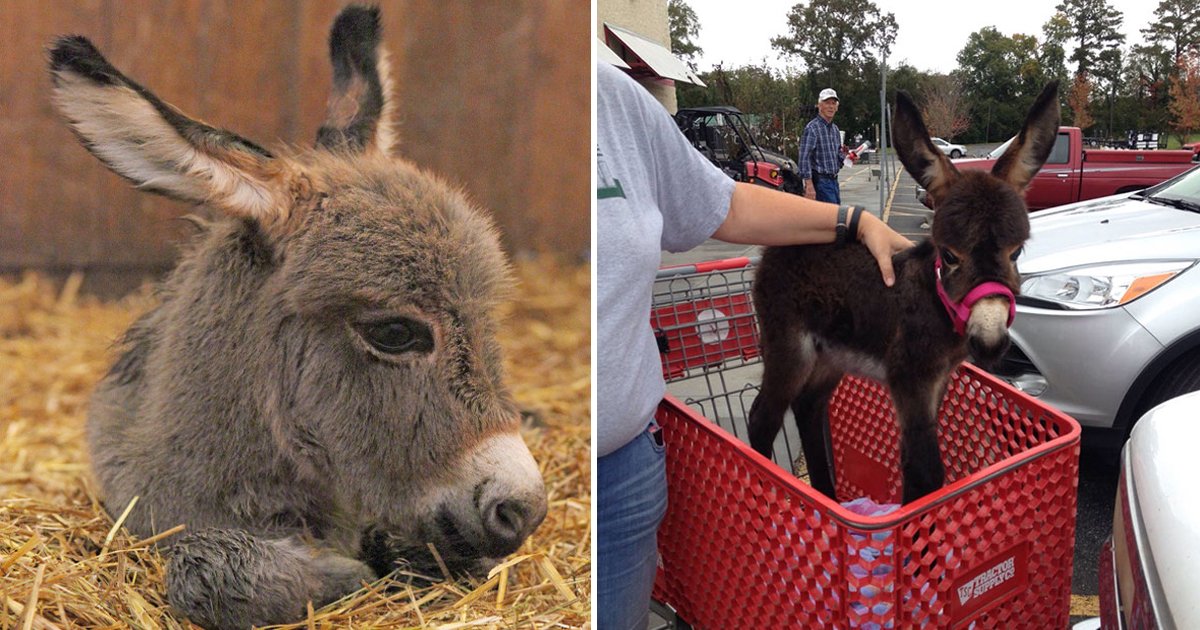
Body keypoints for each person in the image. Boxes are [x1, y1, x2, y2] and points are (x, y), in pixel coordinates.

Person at [596, 62, 912, 630]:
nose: (833, 110)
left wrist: (852, 220)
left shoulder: (613, 100)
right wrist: (819, 187)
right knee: (793, 390)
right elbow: (812, 168)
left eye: (838, 104)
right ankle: (779, 496)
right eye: (831, 103)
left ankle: (815, 504)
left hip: (619, 473)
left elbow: (726, 204)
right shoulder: (815, 132)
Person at [798, 87, 845, 203]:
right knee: (831, 217)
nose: (830, 106)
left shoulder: (835, 130)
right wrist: (809, 186)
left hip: (834, 181)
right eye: (827, 103)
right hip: (820, 182)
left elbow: (838, 155)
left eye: (833, 103)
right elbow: (804, 158)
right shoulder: (812, 128)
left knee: (834, 216)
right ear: (819, 106)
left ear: (837, 107)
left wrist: (847, 157)